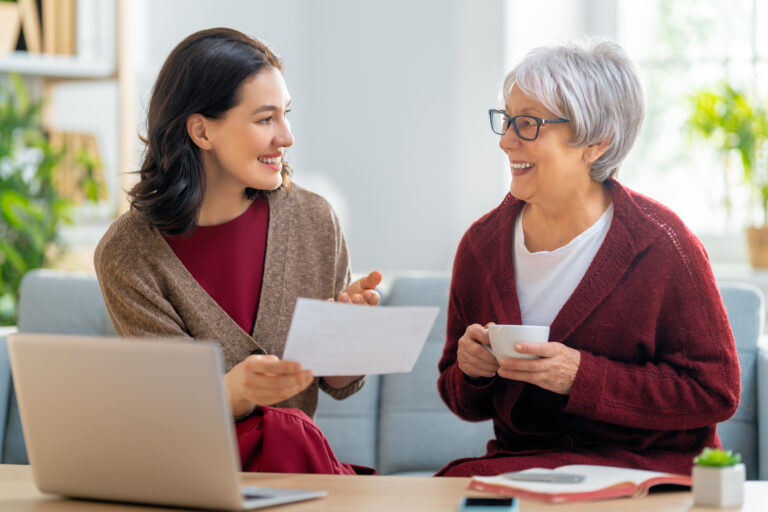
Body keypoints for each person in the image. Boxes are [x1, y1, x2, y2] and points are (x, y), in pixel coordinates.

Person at [436, 39, 740, 477]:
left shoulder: (665, 245)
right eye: (506, 120)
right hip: (527, 468)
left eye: (527, 124)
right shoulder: (480, 246)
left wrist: (582, 377)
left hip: (644, 469)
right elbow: (460, 398)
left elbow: (715, 391)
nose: (505, 141)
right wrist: (472, 371)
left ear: (597, 141)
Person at [94, 27, 381, 474]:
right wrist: (236, 390)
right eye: (265, 119)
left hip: (293, 469)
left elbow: (338, 383)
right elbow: (170, 407)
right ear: (201, 130)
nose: (286, 137)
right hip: (189, 473)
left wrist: (347, 337)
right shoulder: (128, 254)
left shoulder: (314, 219)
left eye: (286, 115)